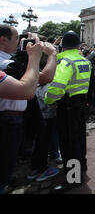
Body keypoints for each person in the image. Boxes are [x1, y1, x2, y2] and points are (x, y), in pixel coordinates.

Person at [0, 26, 46, 194]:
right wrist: (35, 58)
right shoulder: (7, 63)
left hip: (15, 119)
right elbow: (28, 90)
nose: (19, 42)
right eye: (16, 38)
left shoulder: (11, 61)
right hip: (7, 120)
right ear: (3, 40)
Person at [44, 31, 91, 193]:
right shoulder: (84, 61)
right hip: (80, 103)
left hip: (67, 105)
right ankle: (81, 165)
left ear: (63, 46)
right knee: (79, 138)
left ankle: (73, 178)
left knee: (68, 143)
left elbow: (57, 87)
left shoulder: (65, 62)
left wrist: (49, 100)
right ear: (78, 46)